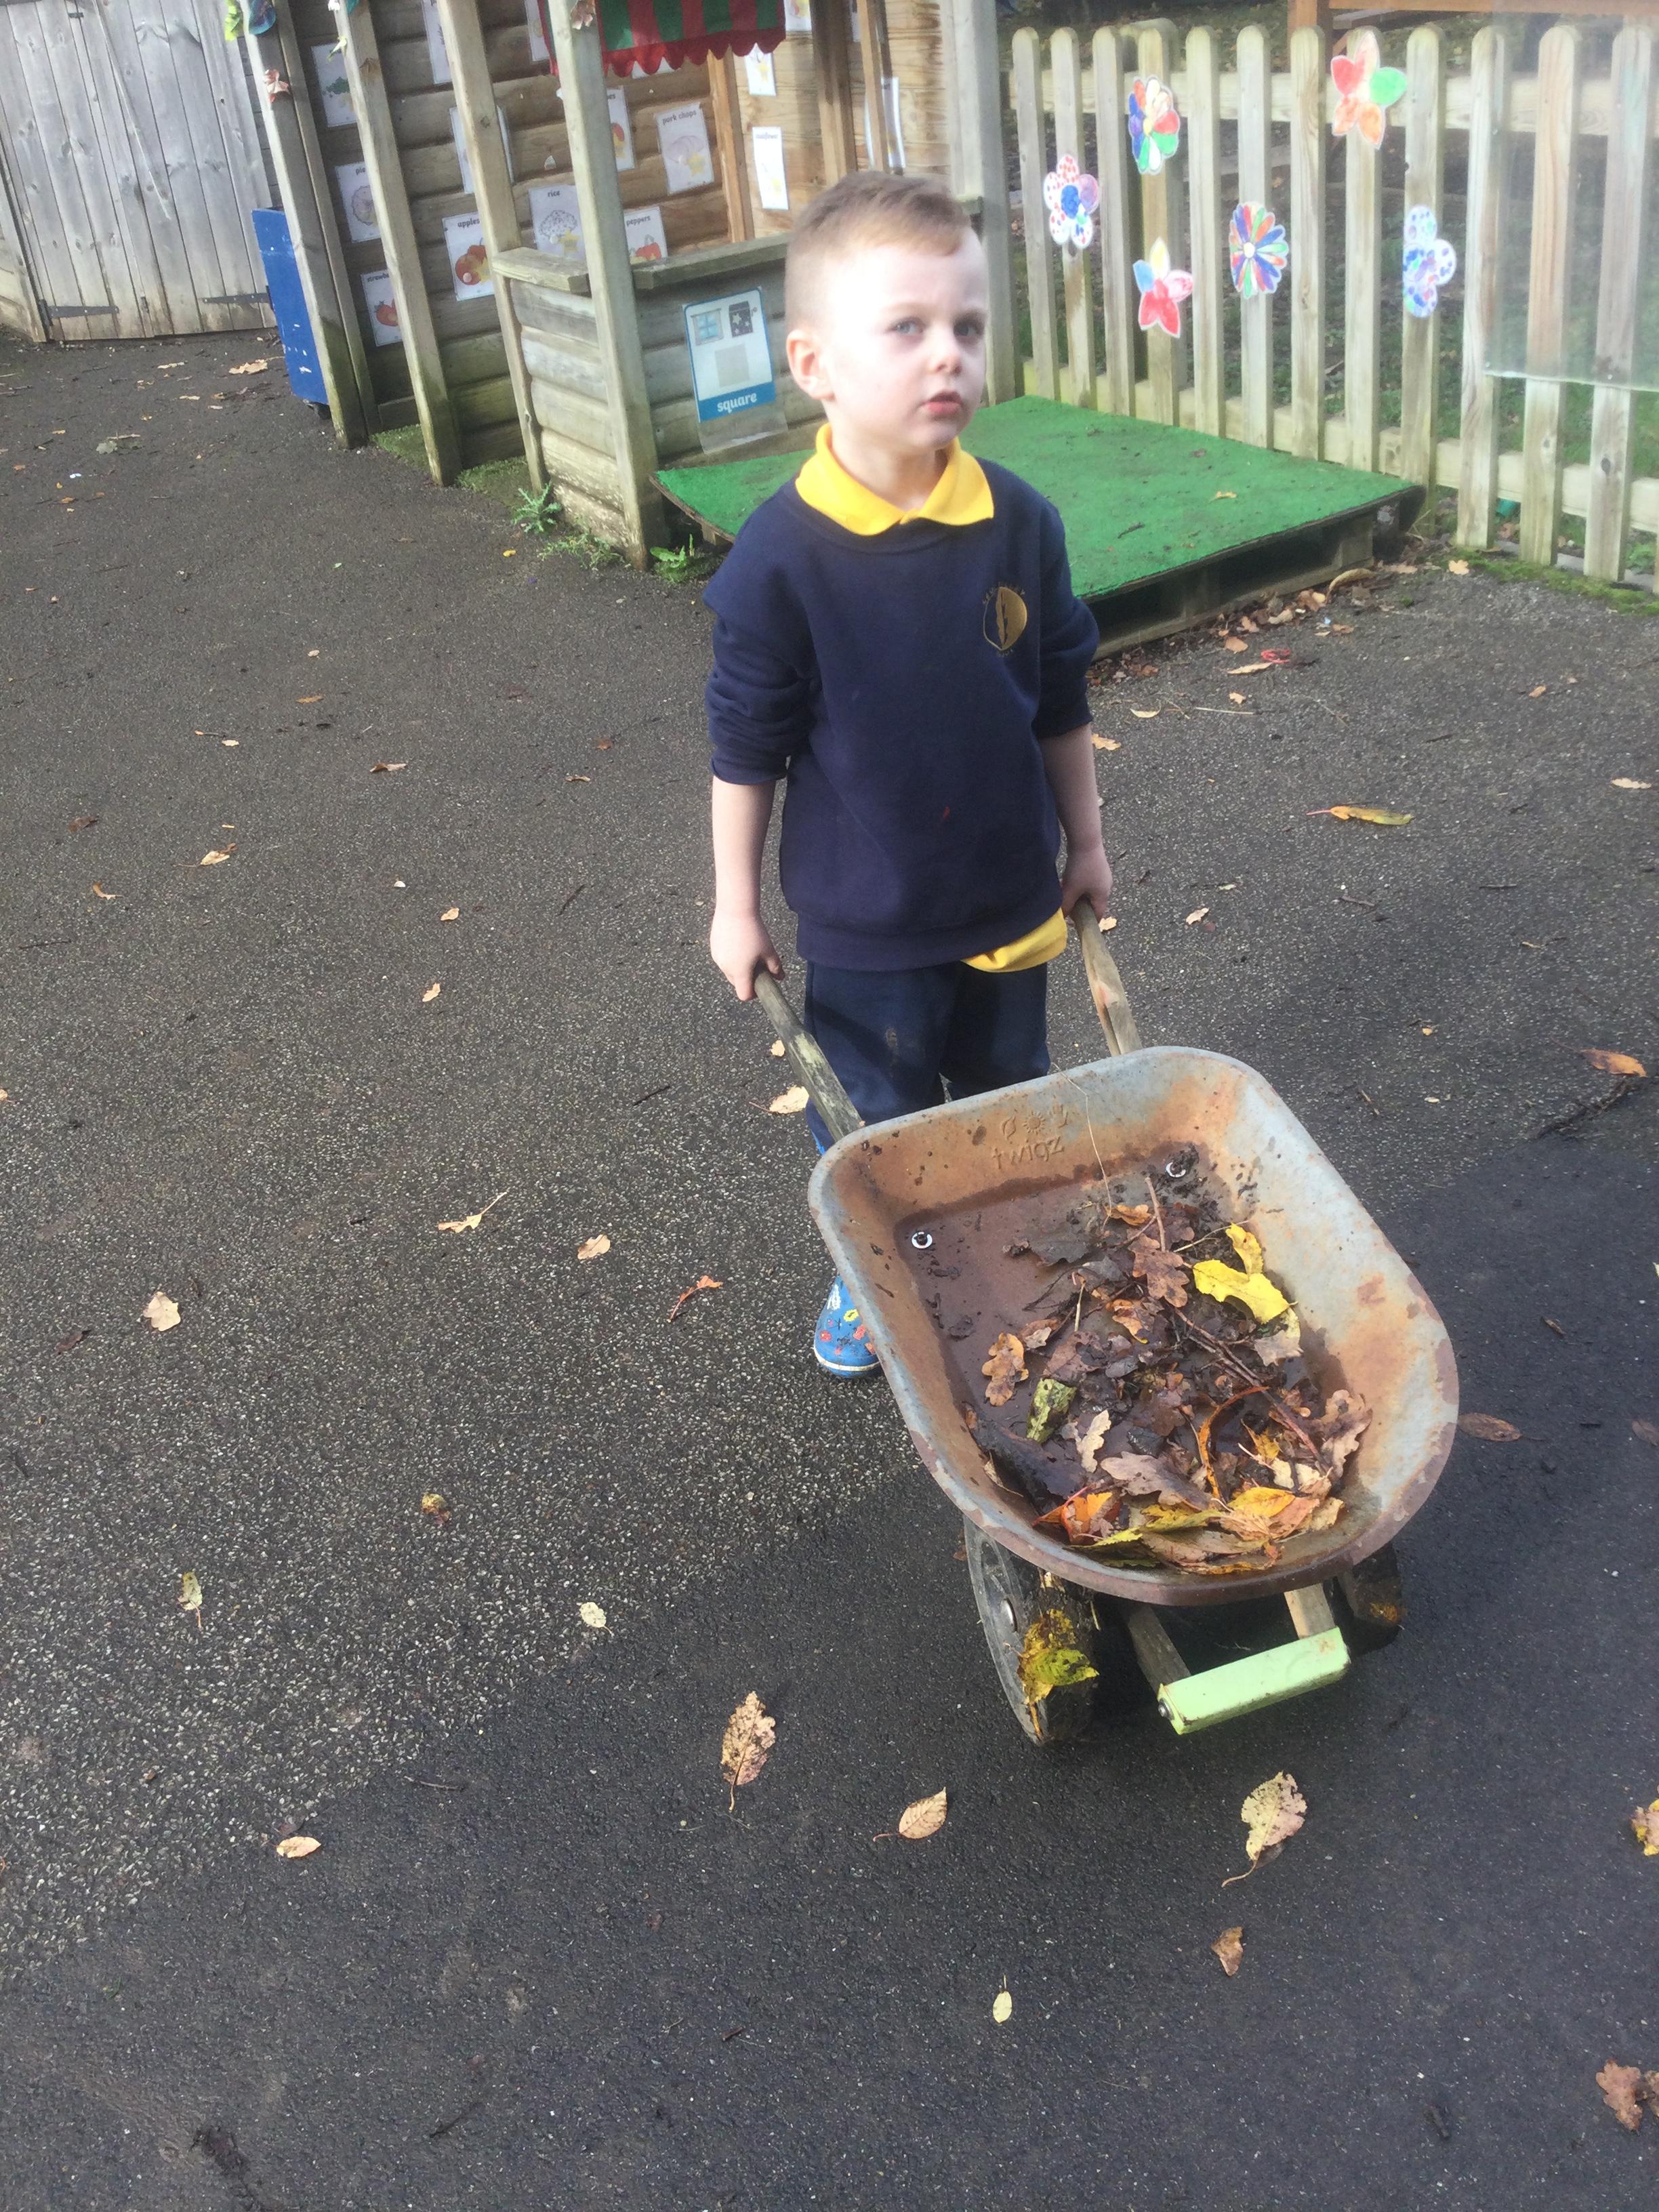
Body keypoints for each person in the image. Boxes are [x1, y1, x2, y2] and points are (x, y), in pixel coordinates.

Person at [703, 170, 1112, 1378]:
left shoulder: (1019, 523)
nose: (950, 355)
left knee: (1006, 1107)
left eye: (967, 326)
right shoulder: (781, 562)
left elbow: (1061, 696)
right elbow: (744, 746)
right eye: (907, 327)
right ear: (815, 364)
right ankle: (876, 1272)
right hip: (868, 926)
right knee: (876, 1124)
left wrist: (1087, 842)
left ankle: (1005, 1258)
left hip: (1010, 897)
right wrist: (734, 905)